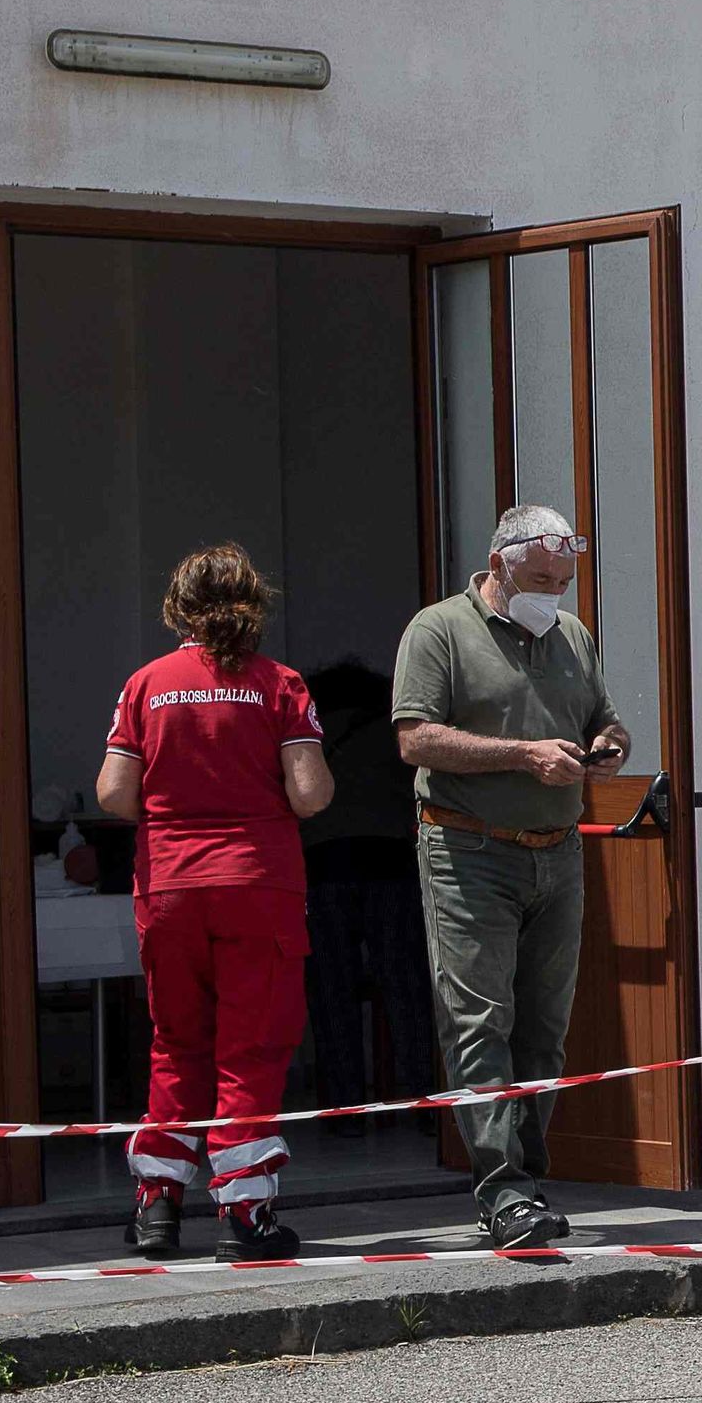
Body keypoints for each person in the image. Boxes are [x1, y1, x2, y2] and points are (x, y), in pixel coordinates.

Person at [392, 505, 629, 1249]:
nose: (552, 593)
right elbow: (414, 737)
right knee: (478, 1022)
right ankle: (502, 1189)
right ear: (498, 566)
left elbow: (606, 716)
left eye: (562, 580)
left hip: (556, 852)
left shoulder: (572, 634)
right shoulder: (439, 630)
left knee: (544, 1029)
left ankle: (527, 1179)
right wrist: (523, 755)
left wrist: (610, 744)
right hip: (469, 851)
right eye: (538, 579)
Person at [93, 544, 333, 1261]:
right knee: (250, 1049)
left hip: (168, 884)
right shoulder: (279, 683)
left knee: (176, 1042)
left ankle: (157, 1208)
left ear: (180, 609)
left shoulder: (145, 684)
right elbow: (310, 793)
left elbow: (113, 794)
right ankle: (244, 1214)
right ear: (251, 606)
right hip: (257, 884)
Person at [297, 657, 440, 1111]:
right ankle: (424, 1102)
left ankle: (343, 1110)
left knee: (331, 992)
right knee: (406, 988)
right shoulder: (390, 730)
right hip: (390, 866)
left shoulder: (308, 733)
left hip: (322, 869)